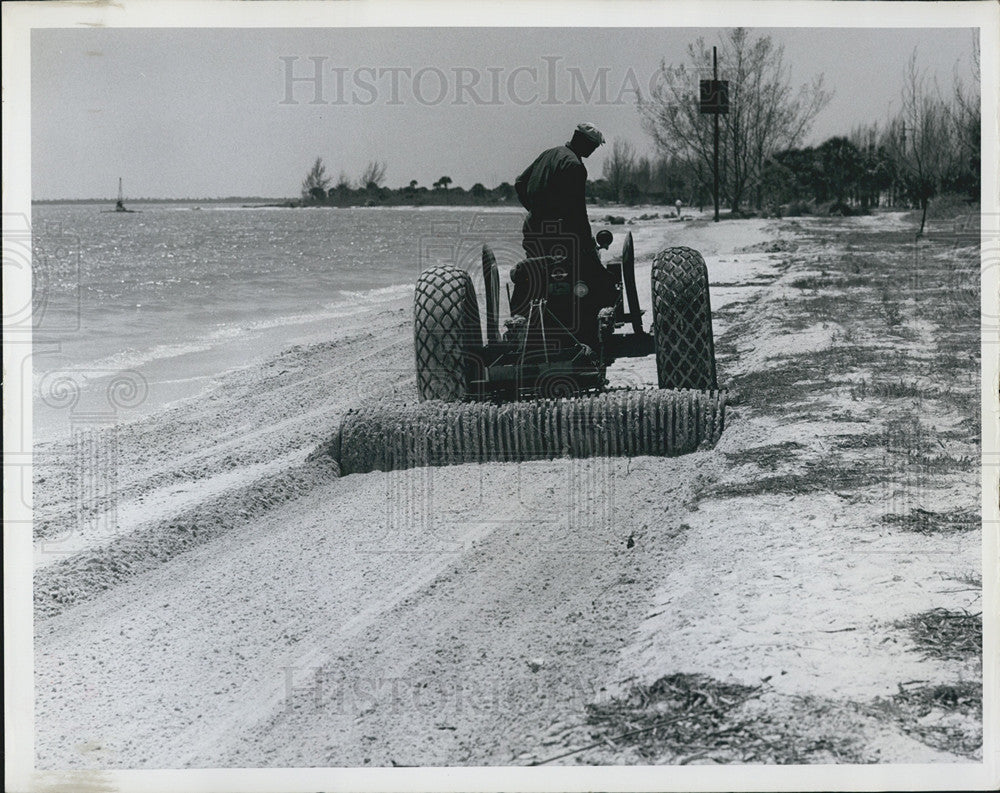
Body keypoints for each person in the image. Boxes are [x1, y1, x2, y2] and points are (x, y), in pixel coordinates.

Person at [512, 123, 618, 343]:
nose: (593, 151)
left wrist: (535, 211)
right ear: (585, 143)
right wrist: (586, 243)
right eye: (594, 147)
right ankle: (594, 322)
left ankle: (530, 319)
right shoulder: (574, 165)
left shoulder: (548, 154)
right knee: (596, 277)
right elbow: (577, 211)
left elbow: (520, 183)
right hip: (561, 232)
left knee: (536, 273)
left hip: (533, 228)